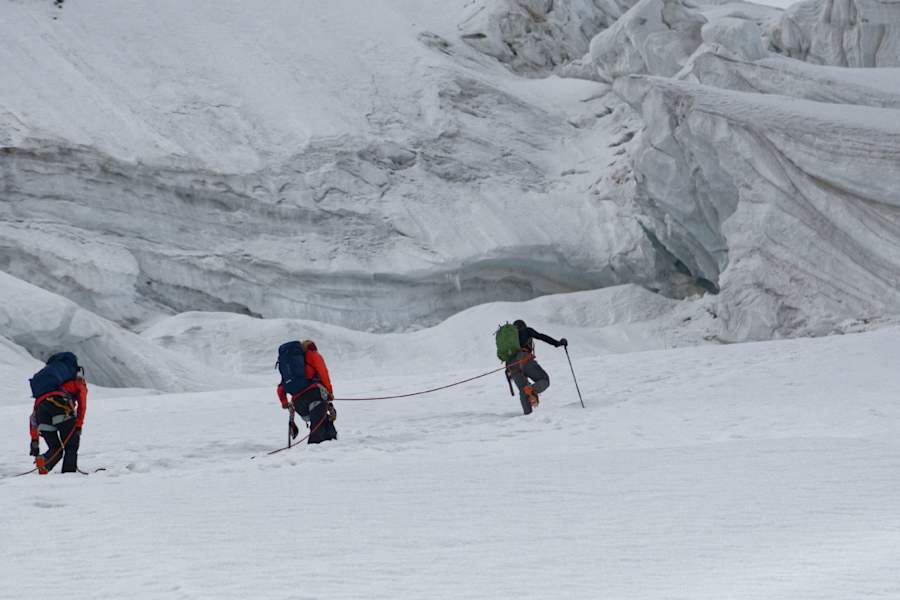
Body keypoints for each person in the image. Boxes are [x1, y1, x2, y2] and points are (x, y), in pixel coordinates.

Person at [28, 354, 88, 474]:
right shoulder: (76, 381)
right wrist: (78, 425)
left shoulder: (47, 388)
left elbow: (33, 416)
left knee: (55, 448)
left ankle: (45, 462)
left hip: (42, 412)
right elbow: (82, 403)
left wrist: (34, 440)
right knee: (71, 445)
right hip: (61, 406)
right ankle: (69, 474)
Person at [276, 340, 337, 444]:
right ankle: (315, 451)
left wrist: (284, 402)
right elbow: (323, 373)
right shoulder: (312, 355)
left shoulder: (292, 367)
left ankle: (331, 441)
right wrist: (330, 392)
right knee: (317, 430)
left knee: (322, 421)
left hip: (298, 403)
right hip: (314, 395)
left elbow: (281, 387)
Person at [506, 320, 567, 415]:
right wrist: (557, 343)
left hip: (510, 365)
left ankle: (528, 416)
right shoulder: (526, 330)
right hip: (524, 358)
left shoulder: (509, 339)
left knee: (523, 391)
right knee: (544, 380)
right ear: (523, 326)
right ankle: (531, 389)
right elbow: (541, 336)